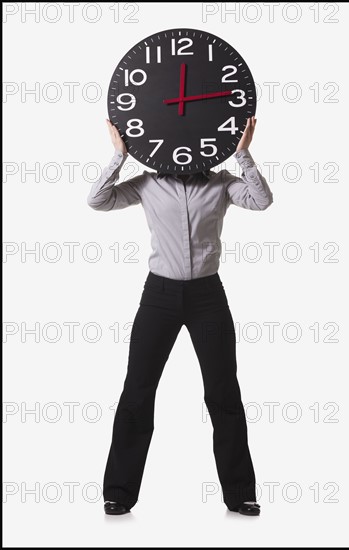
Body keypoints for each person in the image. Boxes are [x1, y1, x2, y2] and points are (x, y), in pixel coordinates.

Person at [87, 116, 273, 516]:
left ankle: (241, 494)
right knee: (137, 390)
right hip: (159, 296)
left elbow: (261, 200)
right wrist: (119, 156)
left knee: (223, 393)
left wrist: (243, 154)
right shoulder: (150, 184)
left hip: (208, 295)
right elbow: (98, 199)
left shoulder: (222, 183)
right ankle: (118, 493)